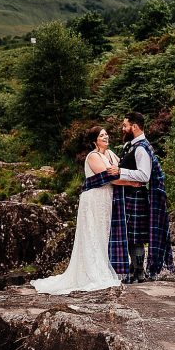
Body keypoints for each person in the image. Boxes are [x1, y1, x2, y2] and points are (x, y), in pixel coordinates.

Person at [31, 126, 123, 294]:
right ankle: (94, 272)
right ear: (94, 140)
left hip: (107, 199)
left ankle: (104, 265)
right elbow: (109, 177)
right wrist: (132, 181)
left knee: (104, 233)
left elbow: (120, 168)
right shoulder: (93, 156)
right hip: (94, 199)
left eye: (106, 134)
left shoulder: (110, 154)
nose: (106, 137)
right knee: (93, 233)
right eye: (102, 135)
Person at [109, 111, 175, 282]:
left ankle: (139, 272)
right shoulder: (130, 146)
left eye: (125, 125)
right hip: (129, 196)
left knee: (135, 237)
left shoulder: (141, 148)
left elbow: (144, 176)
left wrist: (121, 171)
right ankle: (134, 268)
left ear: (134, 127)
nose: (123, 129)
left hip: (136, 197)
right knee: (131, 236)